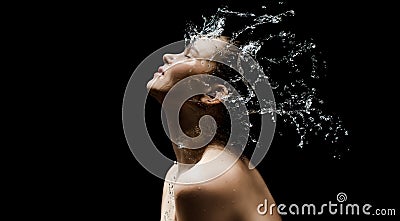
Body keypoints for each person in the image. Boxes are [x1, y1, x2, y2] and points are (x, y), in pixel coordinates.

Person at [147, 37, 281, 221]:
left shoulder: (203, 180)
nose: (167, 56)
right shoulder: (178, 172)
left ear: (213, 94)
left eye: (189, 55)